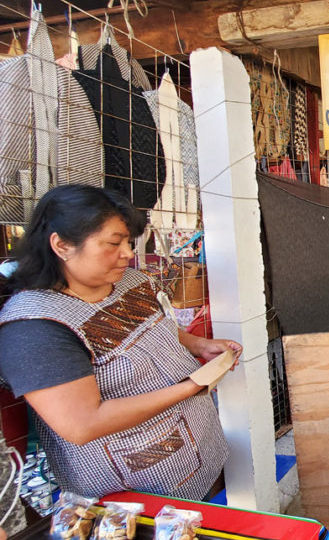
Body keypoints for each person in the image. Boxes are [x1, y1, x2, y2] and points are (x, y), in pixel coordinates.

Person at [0, 185, 241, 501]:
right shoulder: (35, 329)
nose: (128, 253)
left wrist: (196, 344)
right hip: (132, 491)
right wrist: (191, 386)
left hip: (199, 451)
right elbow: (82, 424)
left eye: (128, 242)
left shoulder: (130, 281)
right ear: (61, 245)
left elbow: (153, 327)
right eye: (114, 243)